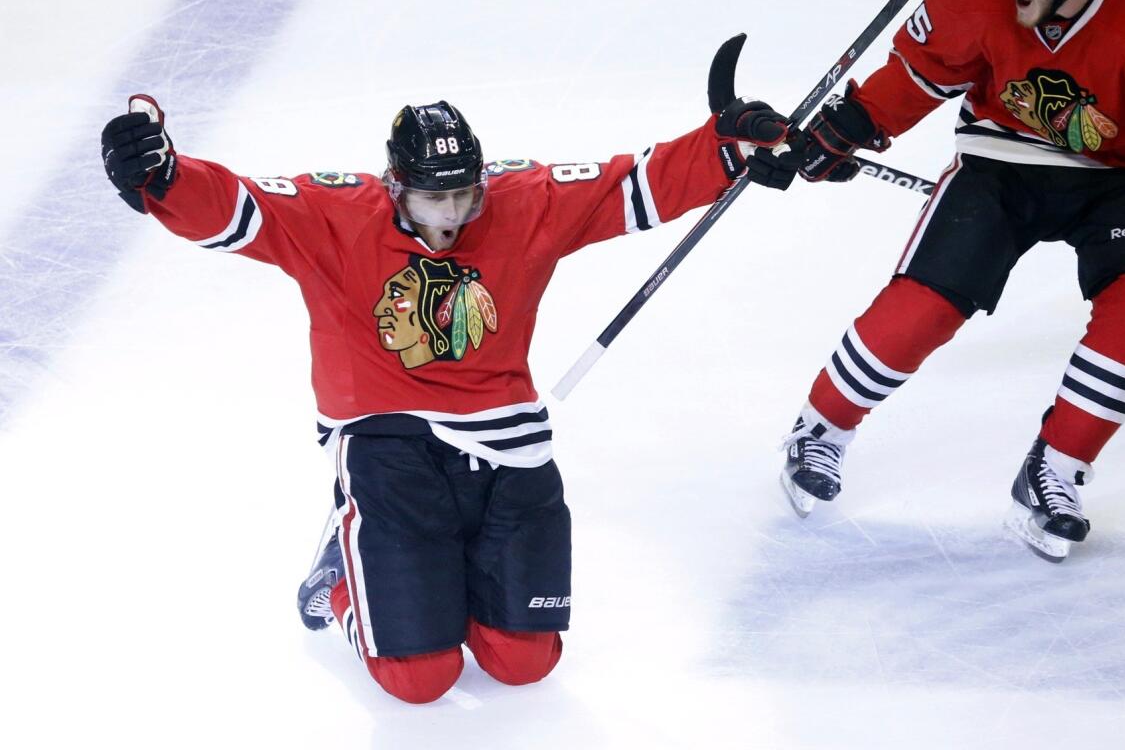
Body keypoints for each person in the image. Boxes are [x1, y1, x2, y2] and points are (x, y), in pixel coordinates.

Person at [99, 77, 798, 703]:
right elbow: (236, 209)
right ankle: (343, 574)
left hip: (505, 446)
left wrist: (726, 149)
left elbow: (630, 185)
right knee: (418, 679)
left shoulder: (524, 200)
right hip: (388, 443)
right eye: (435, 196)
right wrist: (161, 176)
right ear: (395, 184)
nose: (452, 213)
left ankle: (429, 578)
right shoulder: (334, 213)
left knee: (525, 663)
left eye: (464, 192)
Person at [776, 0, 1125, 562]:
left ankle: (1054, 471)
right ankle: (820, 428)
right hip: (1001, 158)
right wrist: (854, 123)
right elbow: (920, 71)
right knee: (924, 307)